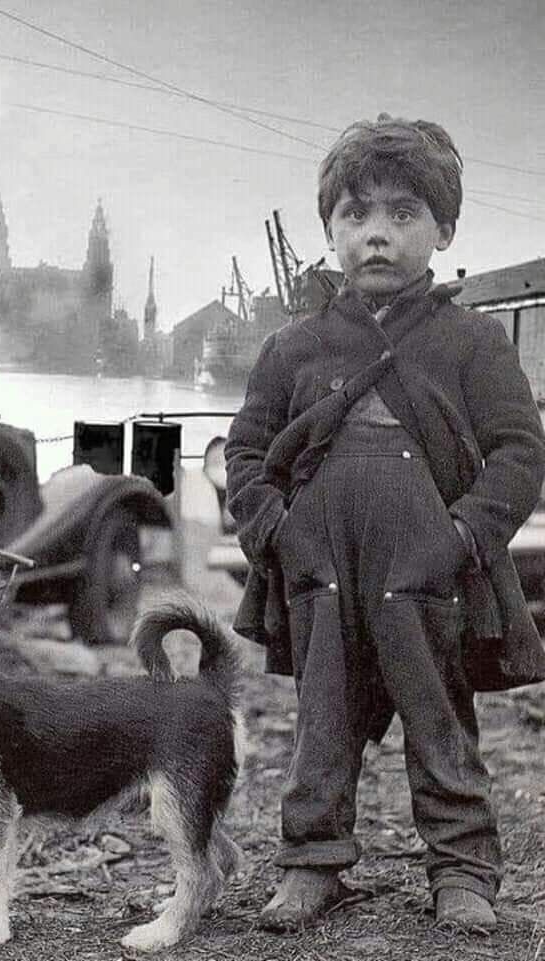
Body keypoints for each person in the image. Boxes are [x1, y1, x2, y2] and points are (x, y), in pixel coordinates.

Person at [225, 114, 545, 934]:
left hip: (432, 570)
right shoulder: (293, 347)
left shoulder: (471, 341)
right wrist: (279, 532)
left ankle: (464, 869)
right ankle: (310, 863)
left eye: (404, 216)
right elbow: (247, 453)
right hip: (319, 566)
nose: (378, 235)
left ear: (442, 229)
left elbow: (518, 450)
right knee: (322, 722)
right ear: (329, 228)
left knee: (442, 720)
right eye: (357, 215)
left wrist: (460, 538)